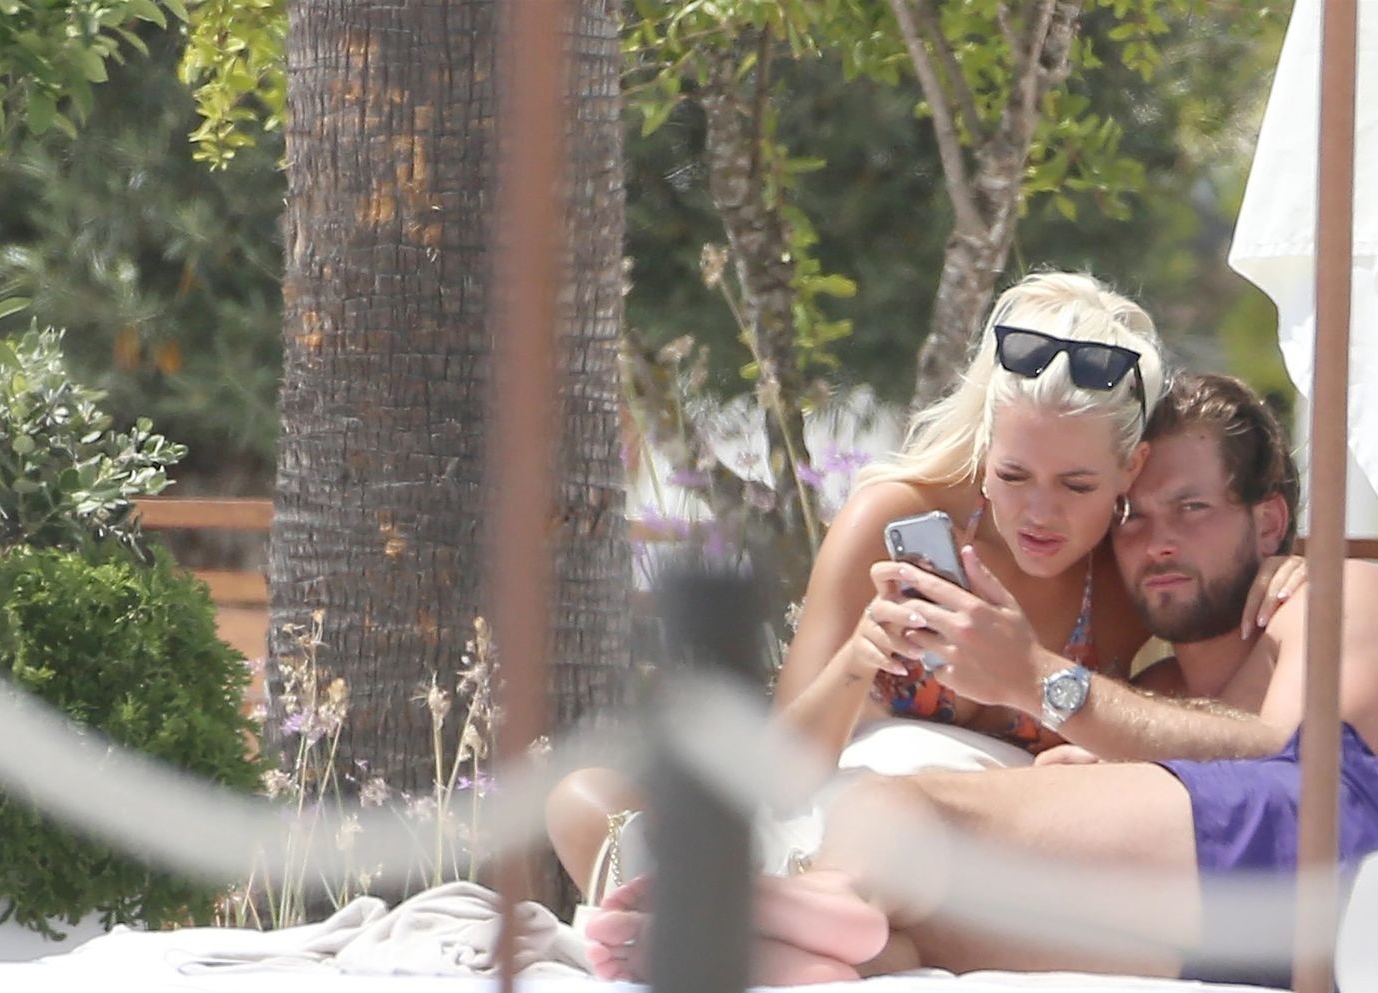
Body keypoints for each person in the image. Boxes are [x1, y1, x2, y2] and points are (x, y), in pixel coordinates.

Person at [584, 372, 1378, 985]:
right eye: (1134, 517)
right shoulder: (1159, 695)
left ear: (1270, 521)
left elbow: (1295, 764)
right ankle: (787, 949)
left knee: (910, 811)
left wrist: (1042, 682)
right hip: (1244, 938)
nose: (1157, 542)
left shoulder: (1335, 598)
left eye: (1193, 509)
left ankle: (817, 894)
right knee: (916, 936)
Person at [548, 273, 1302, 902]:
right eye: (1014, 475)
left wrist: (1276, 568)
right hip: (835, 812)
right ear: (986, 446)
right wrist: (860, 659)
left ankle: (726, 917)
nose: (1040, 514)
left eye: (1077, 485)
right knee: (581, 799)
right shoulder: (893, 520)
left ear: (1128, 470)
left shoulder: (1126, 575)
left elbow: (1231, 715)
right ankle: (744, 910)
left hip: (987, 848)